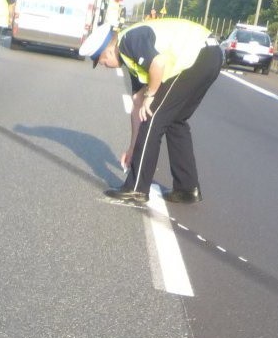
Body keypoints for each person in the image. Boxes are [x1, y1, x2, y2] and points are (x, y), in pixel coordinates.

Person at [79, 18, 222, 203]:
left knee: (153, 118)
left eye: (102, 60)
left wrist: (151, 96)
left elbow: (158, 63)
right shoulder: (131, 59)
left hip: (197, 56)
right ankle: (187, 188)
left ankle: (137, 188)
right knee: (176, 121)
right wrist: (132, 148)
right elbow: (137, 103)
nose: (104, 66)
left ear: (109, 49)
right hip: (212, 55)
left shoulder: (129, 41)